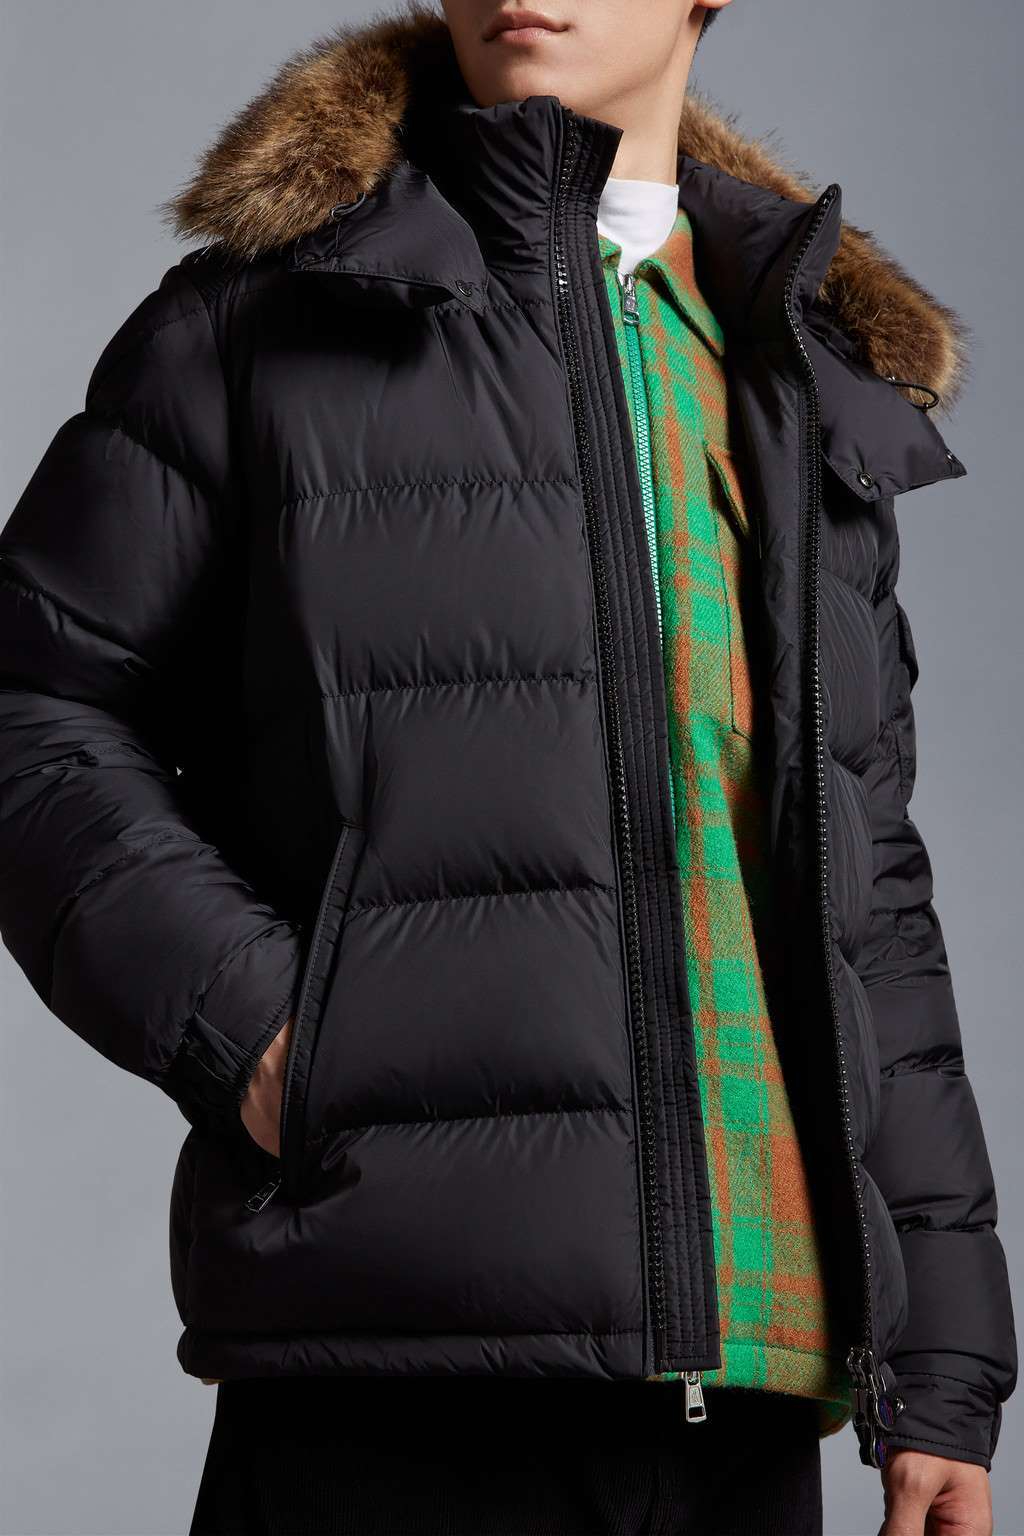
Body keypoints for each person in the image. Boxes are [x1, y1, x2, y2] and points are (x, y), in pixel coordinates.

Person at [0, 1, 1015, 1531]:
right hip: (392, 1364)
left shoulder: (797, 374)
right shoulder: (259, 325)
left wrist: (940, 1366)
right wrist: (269, 1040)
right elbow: (33, 702)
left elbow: (870, 889)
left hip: (751, 1378)